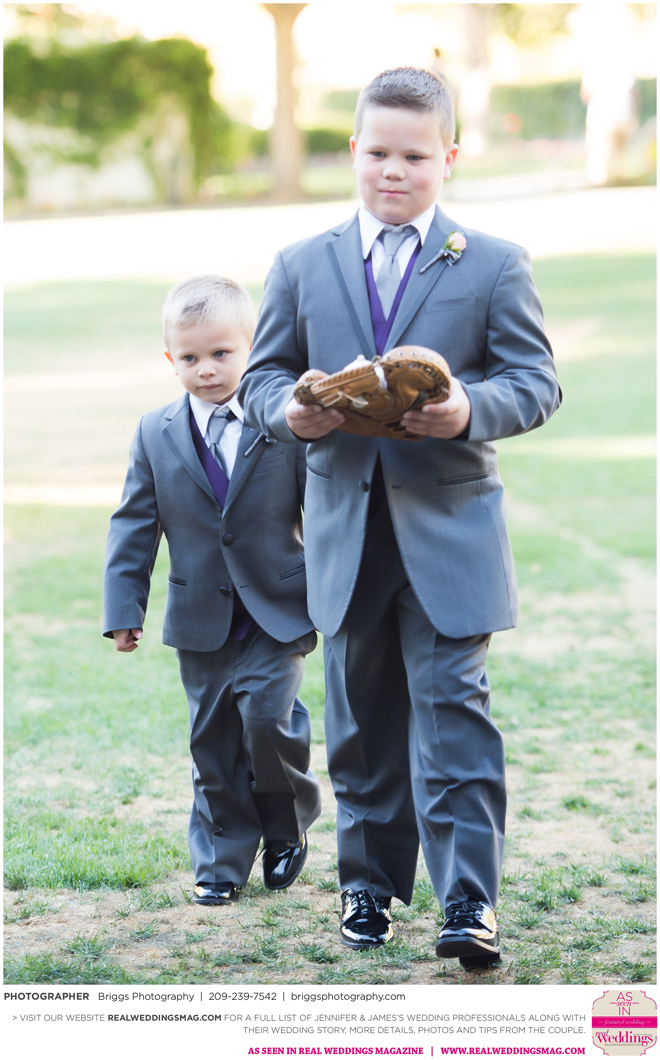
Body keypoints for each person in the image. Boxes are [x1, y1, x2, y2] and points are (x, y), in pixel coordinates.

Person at [239, 68, 560, 963]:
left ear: (449, 157)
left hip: (451, 537)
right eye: (378, 152)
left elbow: (536, 382)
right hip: (344, 537)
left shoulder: (493, 262)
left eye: (415, 156)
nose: (393, 170)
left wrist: (467, 410)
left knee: (455, 714)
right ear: (352, 151)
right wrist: (291, 412)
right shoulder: (300, 265)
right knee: (360, 725)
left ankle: (468, 904)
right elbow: (263, 378)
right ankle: (369, 890)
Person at [103, 275, 320, 905]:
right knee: (213, 741)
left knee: (267, 721)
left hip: (278, 610)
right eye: (190, 357)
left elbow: (323, 513)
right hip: (200, 617)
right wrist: (124, 608)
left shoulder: (283, 425)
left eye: (222, 353)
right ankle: (222, 861)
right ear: (170, 359)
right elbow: (133, 525)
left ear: (253, 349)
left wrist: (339, 594)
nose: (206, 370)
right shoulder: (154, 432)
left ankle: (285, 827)